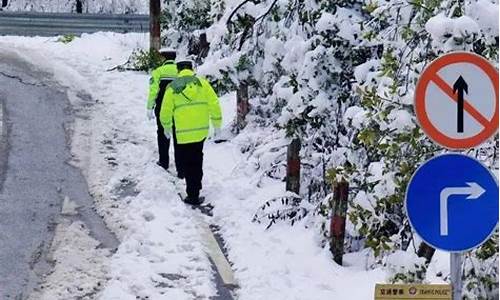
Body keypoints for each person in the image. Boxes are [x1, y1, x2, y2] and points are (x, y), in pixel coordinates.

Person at [160, 60, 222, 205]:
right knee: (197, 159)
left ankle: (192, 194)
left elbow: (165, 111)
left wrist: (167, 127)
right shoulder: (202, 84)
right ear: (192, 69)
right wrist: (217, 124)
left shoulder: (172, 88)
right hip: (200, 132)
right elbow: (214, 104)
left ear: (178, 70)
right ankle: (196, 187)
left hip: (182, 133)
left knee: (187, 162)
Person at [146, 48, 182, 174]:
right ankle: (180, 168)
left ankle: (164, 162)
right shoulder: (180, 72)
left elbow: (153, 91)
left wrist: (149, 107)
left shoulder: (158, 72)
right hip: (179, 108)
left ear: (163, 58)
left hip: (162, 108)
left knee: (162, 133)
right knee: (179, 136)